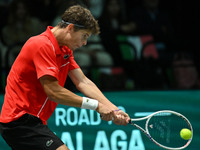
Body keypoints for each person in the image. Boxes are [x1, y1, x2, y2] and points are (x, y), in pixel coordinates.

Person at [0, 5, 130, 150]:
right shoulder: (41, 45)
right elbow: (54, 92)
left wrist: (114, 109)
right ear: (70, 28)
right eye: (84, 36)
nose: (85, 43)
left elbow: (83, 81)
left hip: (33, 121)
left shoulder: (64, 50)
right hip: (19, 121)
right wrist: (96, 106)